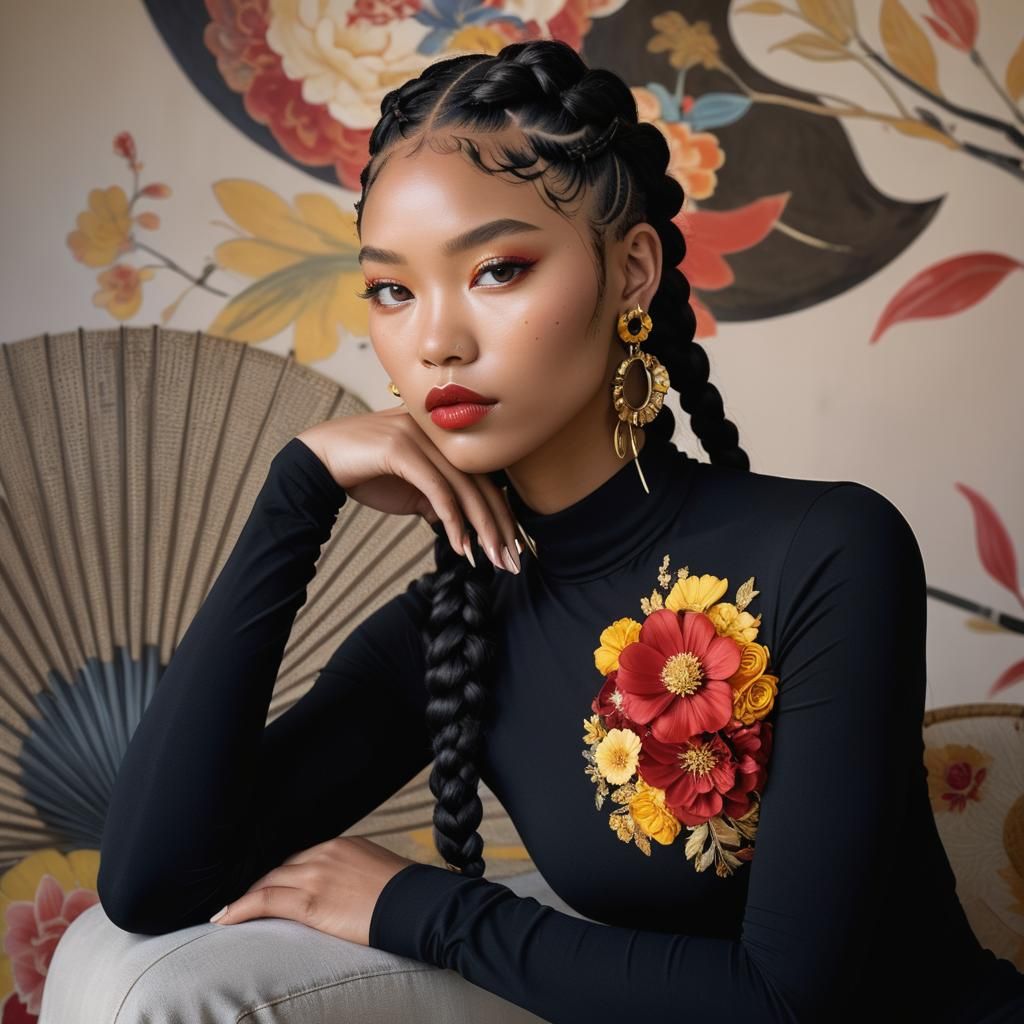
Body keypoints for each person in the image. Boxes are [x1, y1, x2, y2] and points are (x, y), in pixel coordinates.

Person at [97, 38, 1024, 1024]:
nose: (435, 338)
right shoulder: (456, 626)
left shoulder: (832, 548)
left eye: (496, 269)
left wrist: (421, 906)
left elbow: (785, 1002)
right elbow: (152, 882)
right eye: (391, 289)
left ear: (629, 273)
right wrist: (297, 491)